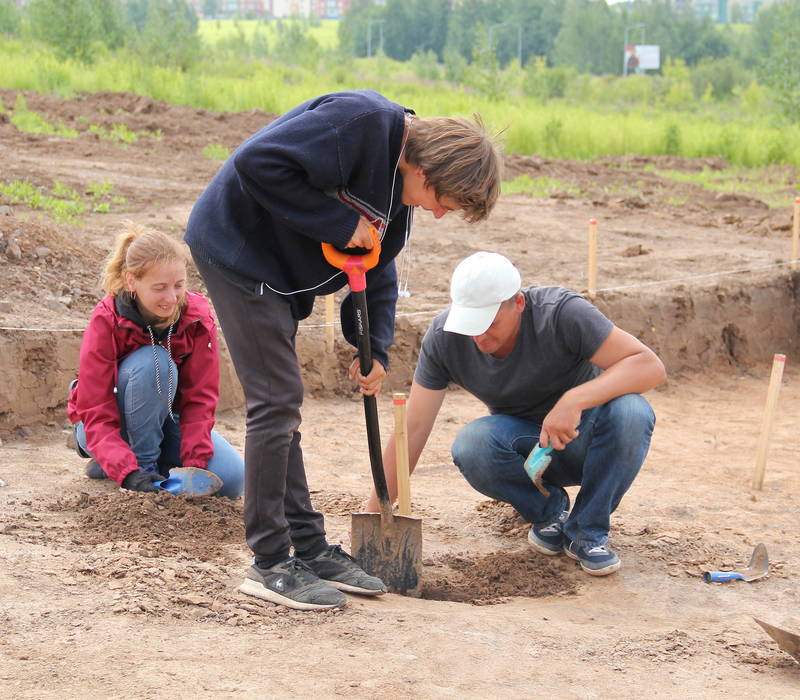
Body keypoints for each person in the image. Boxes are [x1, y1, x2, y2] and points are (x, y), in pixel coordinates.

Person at [184, 89, 502, 610]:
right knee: (277, 400)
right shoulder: (362, 123)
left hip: (281, 274)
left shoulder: (400, 194)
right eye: (444, 202)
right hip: (236, 249)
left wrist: (371, 346)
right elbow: (257, 162)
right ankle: (268, 563)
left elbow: (376, 261)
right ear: (428, 170)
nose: (440, 215)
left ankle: (308, 548)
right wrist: (336, 223)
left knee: (282, 408)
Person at [369, 251, 666, 577]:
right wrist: (375, 514)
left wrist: (574, 401)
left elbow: (649, 366)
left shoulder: (561, 313)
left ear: (519, 304)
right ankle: (550, 513)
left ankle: (587, 532)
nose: (479, 336)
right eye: (471, 323)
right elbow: (412, 429)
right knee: (473, 443)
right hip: (527, 452)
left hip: (589, 440)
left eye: (490, 323)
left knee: (632, 412)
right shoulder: (444, 338)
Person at [67, 223, 244, 500]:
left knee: (231, 480)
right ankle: (140, 466)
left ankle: (119, 465)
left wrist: (193, 466)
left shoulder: (197, 317)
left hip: (164, 420)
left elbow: (199, 400)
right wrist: (132, 474)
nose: (171, 298)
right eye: (160, 287)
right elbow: (95, 408)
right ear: (131, 281)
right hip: (103, 425)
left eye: (179, 285)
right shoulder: (107, 318)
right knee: (156, 361)